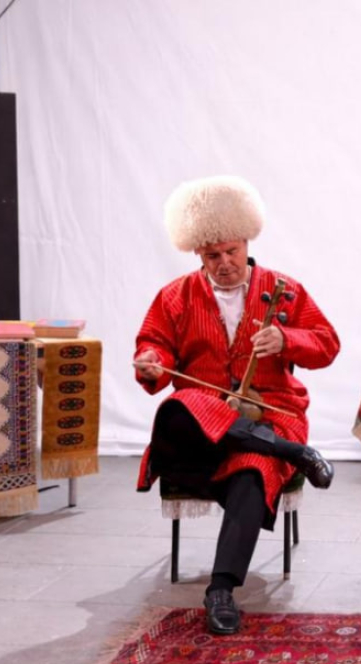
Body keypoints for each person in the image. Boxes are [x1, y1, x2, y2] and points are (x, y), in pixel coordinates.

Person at [134, 175, 340, 636]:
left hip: (270, 417)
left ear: (247, 242)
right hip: (198, 432)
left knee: (252, 470)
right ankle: (293, 454)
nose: (224, 263)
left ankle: (221, 590)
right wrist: (152, 362)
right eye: (213, 256)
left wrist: (287, 338)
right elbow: (154, 345)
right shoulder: (175, 296)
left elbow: (327, 344)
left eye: (231, 251)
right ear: (197, 253)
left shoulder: (286, 290)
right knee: (179, 406)